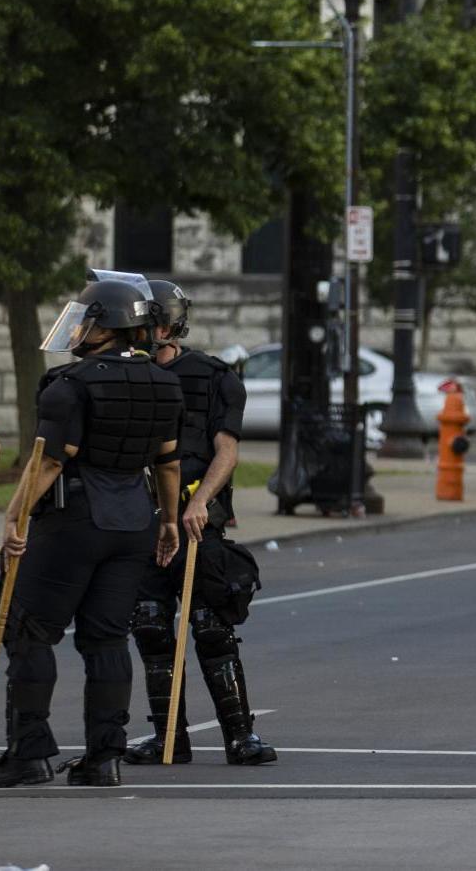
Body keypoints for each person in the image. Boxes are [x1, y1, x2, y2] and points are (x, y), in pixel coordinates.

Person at [0, 280, 182, 788]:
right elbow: (169, 463)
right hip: (135, 519)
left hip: (75, 520)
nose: (77, 328)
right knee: (108, 638)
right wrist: (170, 522)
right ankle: (104, 756)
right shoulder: (164, 382)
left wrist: (15, 516)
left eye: (84, 319)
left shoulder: (70, 383)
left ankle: (30, 753)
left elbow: (49, 460)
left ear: (103, 325)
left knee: (30, 631)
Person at [119, 279, 273, 766]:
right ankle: (169, 738)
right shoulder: (118, 377)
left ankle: (240, 736)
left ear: (165, 326)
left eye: (145, 327)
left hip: (195, 523)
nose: (138, 336)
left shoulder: (214, 376)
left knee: (210, 627)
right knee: (150, 627)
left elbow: (226, 450)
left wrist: (199, 501)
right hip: (141, 524)